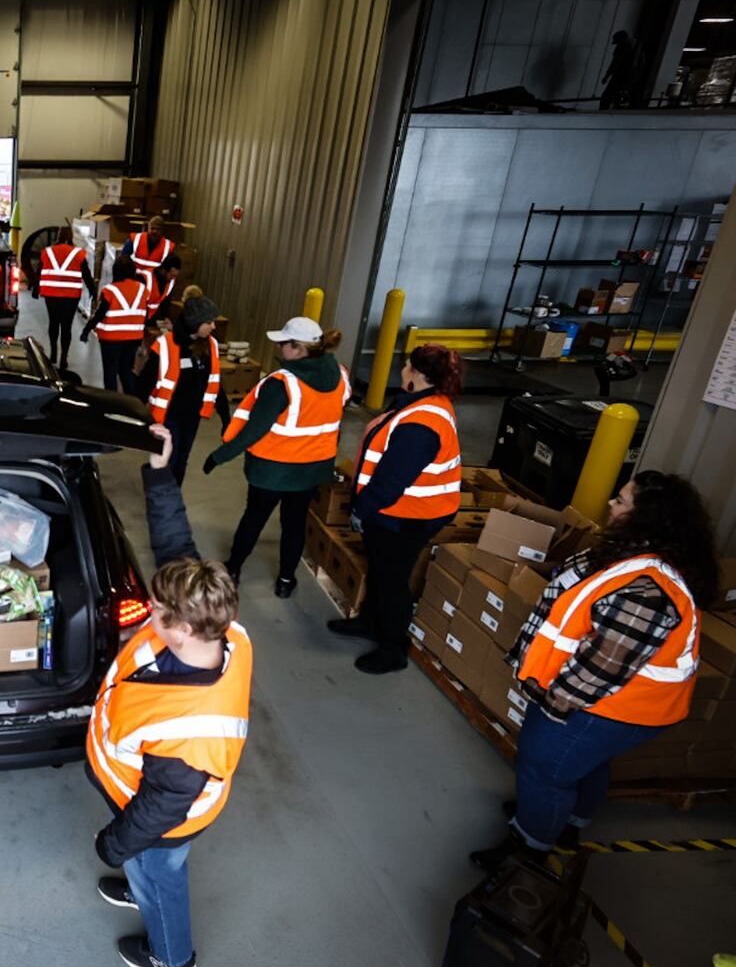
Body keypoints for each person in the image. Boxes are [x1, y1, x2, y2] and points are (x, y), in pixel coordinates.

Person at [469, 471, 718, 869]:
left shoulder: (649, 591)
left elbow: (597, 672)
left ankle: (528, 849)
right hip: (605, 701)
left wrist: (549, 711)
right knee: (585, 762)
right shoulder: (627, 552)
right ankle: (571, 820)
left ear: (646, 518)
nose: (610, 504)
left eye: (621, 501)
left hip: (609, 707)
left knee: (543, 770)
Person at [87, 423, 252, 967]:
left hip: (169, 821)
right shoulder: (217, 628)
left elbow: (158, 812)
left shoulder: (191, 734)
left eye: (157, 612)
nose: (149, 613)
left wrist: (113, 845)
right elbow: (176, 546)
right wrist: (160, 472)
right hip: (148, 802)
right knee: (147, 863)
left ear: (179, 628)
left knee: (160, 870)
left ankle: (172, 956)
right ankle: (140, 883)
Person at [329, 344, 464, 675]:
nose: (402, 370)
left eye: (406, 365)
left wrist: (363, 509)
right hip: (402, 511)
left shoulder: (421, 424)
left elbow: (392, 482)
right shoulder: (424, 404)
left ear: (418, 373)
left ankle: (393, 648)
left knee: (393, 579)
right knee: (380, 569)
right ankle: (370, 622)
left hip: (409, 516)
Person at [204, 317, 349, 598]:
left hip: (271, 472)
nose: (280, 349)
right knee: (294, 524)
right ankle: (285, 581)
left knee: (254, 518)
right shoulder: (340, 376)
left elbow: (253, 431)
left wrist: (219, 456)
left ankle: (233, 569)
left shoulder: (282, 384)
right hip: (310, 472)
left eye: (284, 344)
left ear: (298, 348)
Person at [138, 291, 225, 485]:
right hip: (169, 416)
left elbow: (215, 381)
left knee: (182, 460)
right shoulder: (166, 345)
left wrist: (226, 417)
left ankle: (173, 494)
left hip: (192, 416)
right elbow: (144, 383)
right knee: (170, 458)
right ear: (195, 322)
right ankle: (161, 496)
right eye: (209, 322)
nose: (213, 326)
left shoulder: (210, 345)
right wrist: (131, 413)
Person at [81, 256, 148, 394]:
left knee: (110, 373)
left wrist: (86, 330)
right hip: (133, 339)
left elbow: (99, 314)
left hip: (111, 340)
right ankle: (131, 402)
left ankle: (112, 403)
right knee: (126, 371)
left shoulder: (110, 291)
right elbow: (145, 313)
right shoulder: (142, 290)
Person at [36, 226, 94, 368]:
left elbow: (39, 271)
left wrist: (35, 289)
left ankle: (53, 353)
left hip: (51, 294)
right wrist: (94, 291)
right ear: (70, 237)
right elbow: (86, 274)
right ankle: (64, 357)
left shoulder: (47, 252)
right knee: (66, 326)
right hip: (70, 296)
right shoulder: (78, 253)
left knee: (53, 323)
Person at [600, 30, 637, 110]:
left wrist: (606, 77)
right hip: (628, 78)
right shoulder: (635, 49)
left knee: (607, 97)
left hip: (620, 77)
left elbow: (614, 63)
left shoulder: (621, 49)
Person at [143, 254, 183, 323]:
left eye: (175, 276)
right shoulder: (145, 278)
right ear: (163, 270)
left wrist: (165, 318)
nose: (173, 278)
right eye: (171, 275)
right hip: (142, 319)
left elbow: (166, 303)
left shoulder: (170, 282)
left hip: (153, 320)